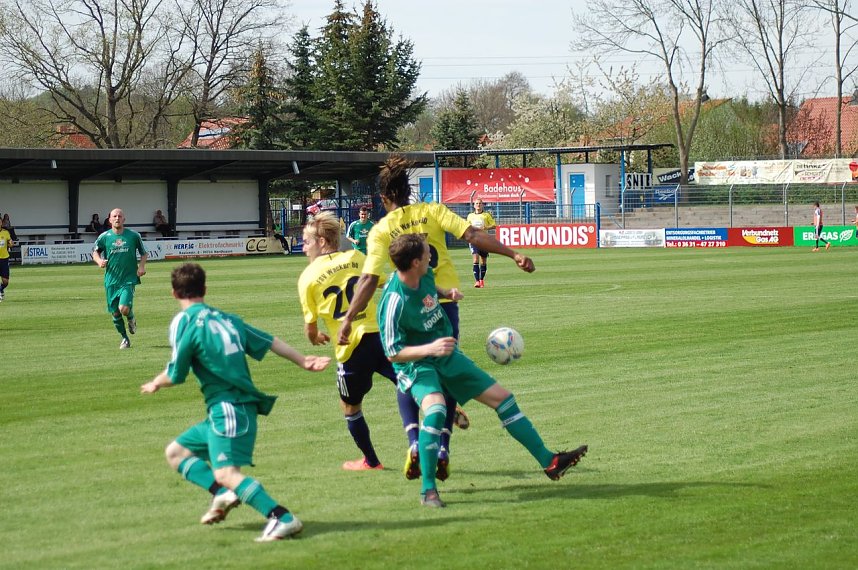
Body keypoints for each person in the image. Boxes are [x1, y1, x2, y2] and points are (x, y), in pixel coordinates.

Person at [337, 155, 535, 478]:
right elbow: (472, 235)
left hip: (410, 307)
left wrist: (348, 318)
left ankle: (415, 442)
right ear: (408, 192)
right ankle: (443, 447)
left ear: (384, 198)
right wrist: (513, 254)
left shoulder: (381, 229)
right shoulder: (433, 210)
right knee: (447, 373)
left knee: (409, 373)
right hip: (444, 305)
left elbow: (370, 278)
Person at [377, 234, 587, 507]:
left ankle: (551, 462)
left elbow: (429, 288)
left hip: (446, 354)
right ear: (415, 262)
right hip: (417, 364)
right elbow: (393, 352)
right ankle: (428, 491)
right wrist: (431, 348)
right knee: (436, 410)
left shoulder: (424, 273)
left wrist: (446, 293)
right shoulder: (393, 300)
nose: (431, 256)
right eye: (427, 253)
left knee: (504, 399)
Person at [141, 263, 330, 542]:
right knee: (176, 453)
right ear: (205, 289)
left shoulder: (185, 323)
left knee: (227, 473)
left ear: (174, 293)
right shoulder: (228, 319)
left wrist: (156, 382)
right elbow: (269, 341)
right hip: (225, 411)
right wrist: (302, 360)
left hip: (229, 409)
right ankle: (222, 494)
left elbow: (176, 374)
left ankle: (283, 518)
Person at [298, 212, 422, 473]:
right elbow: (383, 282)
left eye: (306, 241)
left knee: (350, 406)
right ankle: (444, 407)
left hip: (351, 349)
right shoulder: (356, 257)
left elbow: (310, 329)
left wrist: (316, 337)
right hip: (381, 337)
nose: (303, 247)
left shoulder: (307, 277)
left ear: (322, 241)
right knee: (412, 384)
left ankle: (371, 461)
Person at [92, 208, 148, 349]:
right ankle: (124, 338)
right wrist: (99, 261)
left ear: (124, 219)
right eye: (114, 216)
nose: (117, 218)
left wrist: (141, 267)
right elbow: (95, 252)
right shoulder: (104, 237)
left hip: (128, 279)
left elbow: (144, 253)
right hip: (111, 280)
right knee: (115, 312)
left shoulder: (133, 236)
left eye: (120, 216)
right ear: (110, 220)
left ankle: (131, 317)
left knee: (123, 308)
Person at [466, 198, 497, 288]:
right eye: (477, 203)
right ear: (474, 205)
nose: (478, 205)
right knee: (475, 259)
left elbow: (494, 225)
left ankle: (481, 280)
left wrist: (486, 227)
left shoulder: (486, 215)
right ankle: (477, 281)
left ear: (482, 205)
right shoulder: (470, 216)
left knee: (483, 261)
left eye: (480, 203)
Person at [0, 219, 13, 302]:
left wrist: (11, 243)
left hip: (4, 259)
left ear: (1, 223)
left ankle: (1, 289)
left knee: (6, 282)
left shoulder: (6, 232)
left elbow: (10, 242)